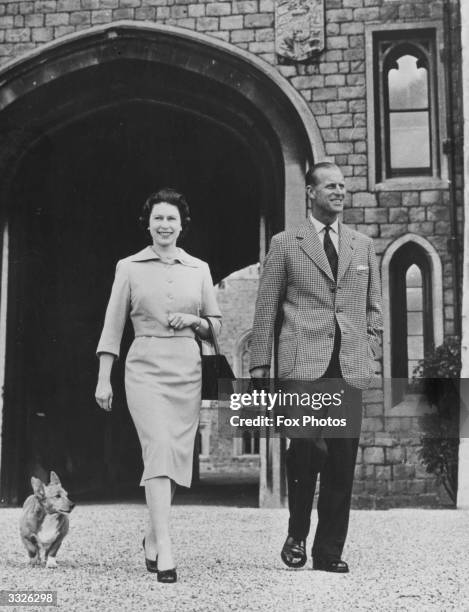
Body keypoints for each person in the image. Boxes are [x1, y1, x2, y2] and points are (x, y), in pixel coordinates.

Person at [250, 162, 382, 573]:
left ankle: (328, 552)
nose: (338, 193)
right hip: (301, 366)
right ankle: (297, 529)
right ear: (310, 192)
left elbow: (373, 309)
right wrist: (260, 367)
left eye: (342, 187)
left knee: (342, 460)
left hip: (347, 366)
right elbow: (266, 308)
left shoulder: (362, 246)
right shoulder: (286, 243)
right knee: (306, 446)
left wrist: (370, 347)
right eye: (330, 186)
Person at [95, 188, 221, 583]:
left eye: (172, 219)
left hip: (186, 367)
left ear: (182, 226)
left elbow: (216, 325)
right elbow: (112, 326)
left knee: (176, 455)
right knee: (159, 448)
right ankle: (165, 547)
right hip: (144, 366)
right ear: (147, 225)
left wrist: (195, 322)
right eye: (158, 219)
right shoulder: (129, 267)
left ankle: (152, 534)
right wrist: (103, 378)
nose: (165, 226)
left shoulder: (198, 268)